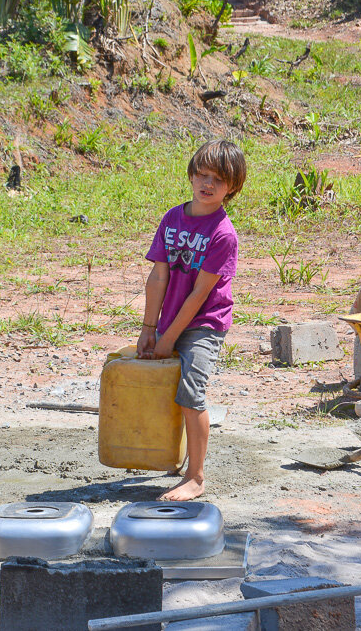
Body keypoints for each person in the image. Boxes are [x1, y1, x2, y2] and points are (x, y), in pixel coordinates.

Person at [136, 139, 246, 501]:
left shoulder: (223, 234)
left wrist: (168, 340)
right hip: (169, 318)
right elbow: (158, 277)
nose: (207, 183)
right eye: (202, 174)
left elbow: (200, 294)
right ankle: (174, 457)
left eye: (218, 179)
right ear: (191, 175)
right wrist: (149, 330)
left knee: (191, 392)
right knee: (167, 389)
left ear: (232, 187)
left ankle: (196, 477)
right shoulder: (172, 218)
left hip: (205, 323)